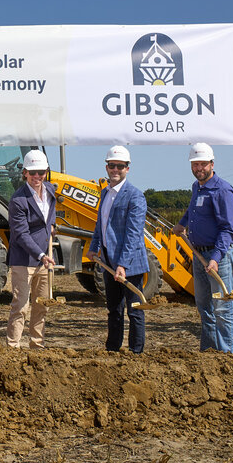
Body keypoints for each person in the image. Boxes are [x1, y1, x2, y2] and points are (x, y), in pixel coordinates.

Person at [172, 143, 233, 353]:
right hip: (199, 254)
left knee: (222, 308)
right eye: (195, 164)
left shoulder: (222, 190)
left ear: (212, 163)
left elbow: (228, 230)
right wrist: (182, 223)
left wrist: (216, 258)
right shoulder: (197, 187)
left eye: (203, 163)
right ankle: (209, 352)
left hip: (219, 256)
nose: (198, 168)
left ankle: (226, 355)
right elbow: (193, 209)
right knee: (204, 306)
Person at [85, 146, 150, 354]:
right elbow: (100, 225)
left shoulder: (135, 196)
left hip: (129, 264)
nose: (115, 170)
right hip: (108, 261)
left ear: (127, 169)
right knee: (114, 309)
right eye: (112, 165)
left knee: (135, 310)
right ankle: (113, 348)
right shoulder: (105, 193)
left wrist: (122, 265)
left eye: (120, 166)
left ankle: (135, 352)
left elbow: (133, 235)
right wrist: (94, 247)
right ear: (106, 167)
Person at [6, 149, 56, 349]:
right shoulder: (18, 200)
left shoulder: (51, 191)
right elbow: (21, 234)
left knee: (41, 305)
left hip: (44, 259)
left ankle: (37, 345)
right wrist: (41, 254)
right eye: (33, 172)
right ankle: (13, 346)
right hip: (24, 261)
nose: (37, 177)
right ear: (25, 172)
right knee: (20, 306)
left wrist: (52, 225)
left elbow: (51, 214)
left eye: (41, 172)